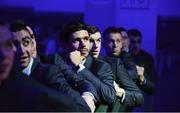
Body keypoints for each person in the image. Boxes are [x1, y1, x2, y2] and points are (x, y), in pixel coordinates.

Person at [9, 20, 94, 112]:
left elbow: (80, 88)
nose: (22, 49)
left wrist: (87, 96)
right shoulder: (6, 74)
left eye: (27, 41)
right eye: (14, 44)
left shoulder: (51, 68)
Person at [59, 21, 116, 112]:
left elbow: (110, 96)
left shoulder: (101, 66)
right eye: (77, 40)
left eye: (86, 39)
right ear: (64, 45)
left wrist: (80, 67)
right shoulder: (57, 64)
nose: (84, 44)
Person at [101, 26, 144, 111]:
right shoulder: (100, 61)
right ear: (103, 44)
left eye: (118, 41)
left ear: (121, 44)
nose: (115, 45)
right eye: (111, 41)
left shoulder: (125, 57)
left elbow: (133, 73)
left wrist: (112, 77)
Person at [128, 29, 156, 111]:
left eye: (138, 42)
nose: (136, 45)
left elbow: (152, 80)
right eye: (132, 42)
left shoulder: (147, 58)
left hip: (144, 96)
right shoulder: (123, 56)